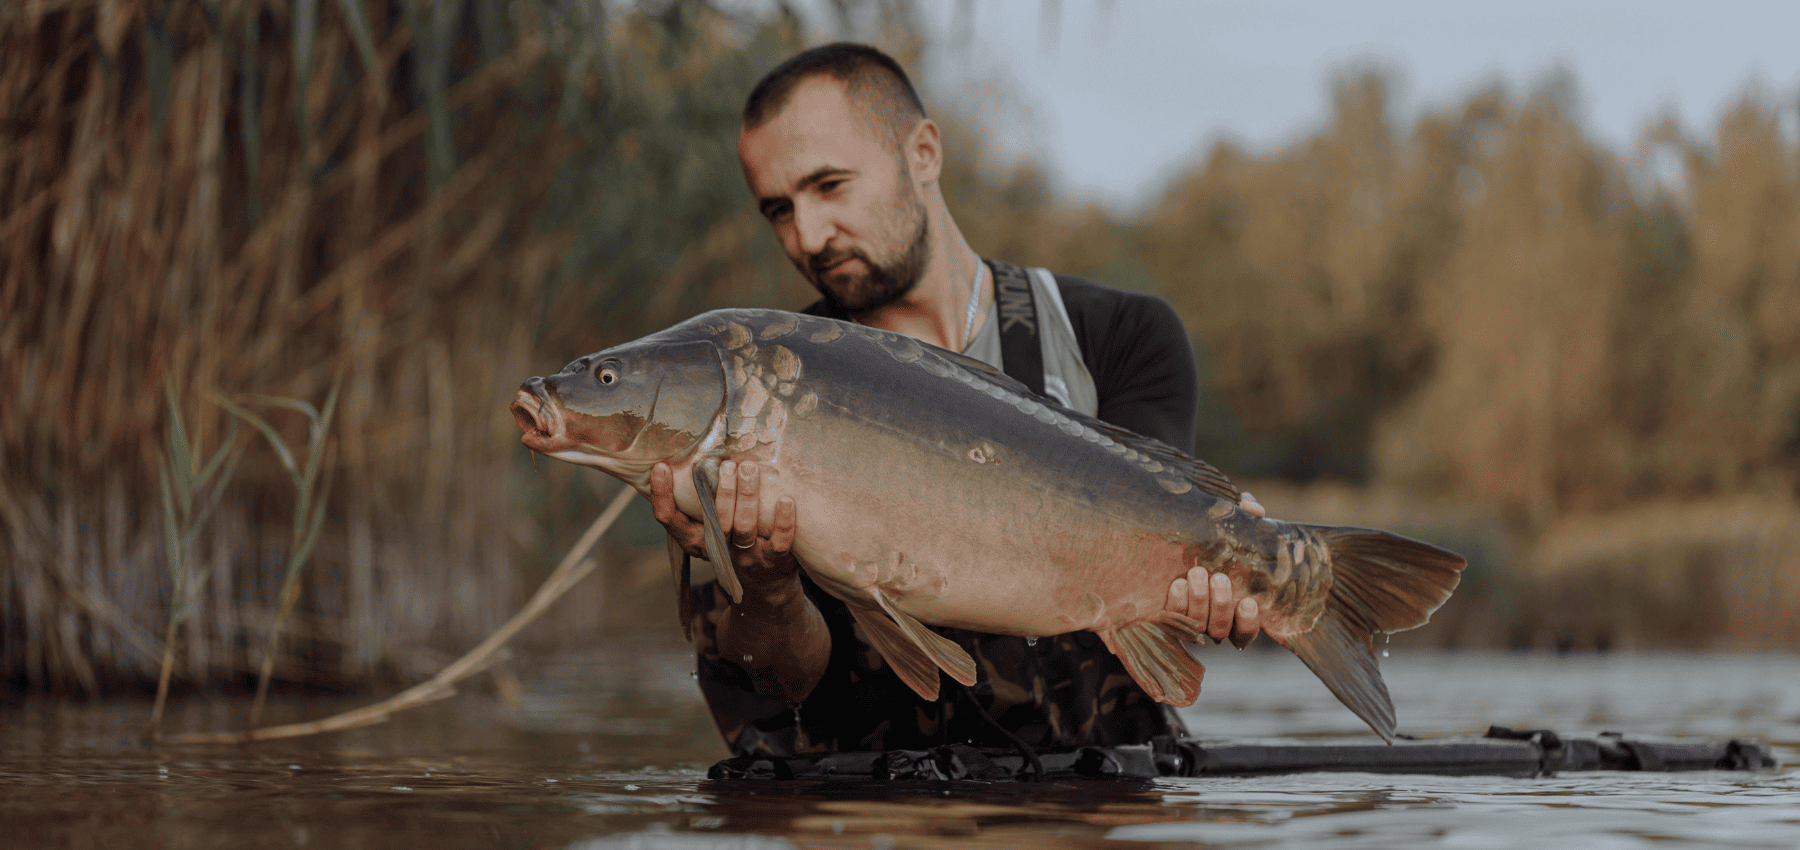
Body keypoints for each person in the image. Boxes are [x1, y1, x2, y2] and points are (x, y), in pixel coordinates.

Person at [648, 42, 1264, 757]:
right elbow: (773, 688)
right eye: (778, 209)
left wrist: (1210, 589)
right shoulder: (752, 401)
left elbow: (1162, 550)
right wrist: (767, 586)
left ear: (925, 153)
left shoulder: (1118, 336)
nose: (808, 236)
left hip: (1101, 807)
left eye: (830, 186)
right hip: (872, 814)